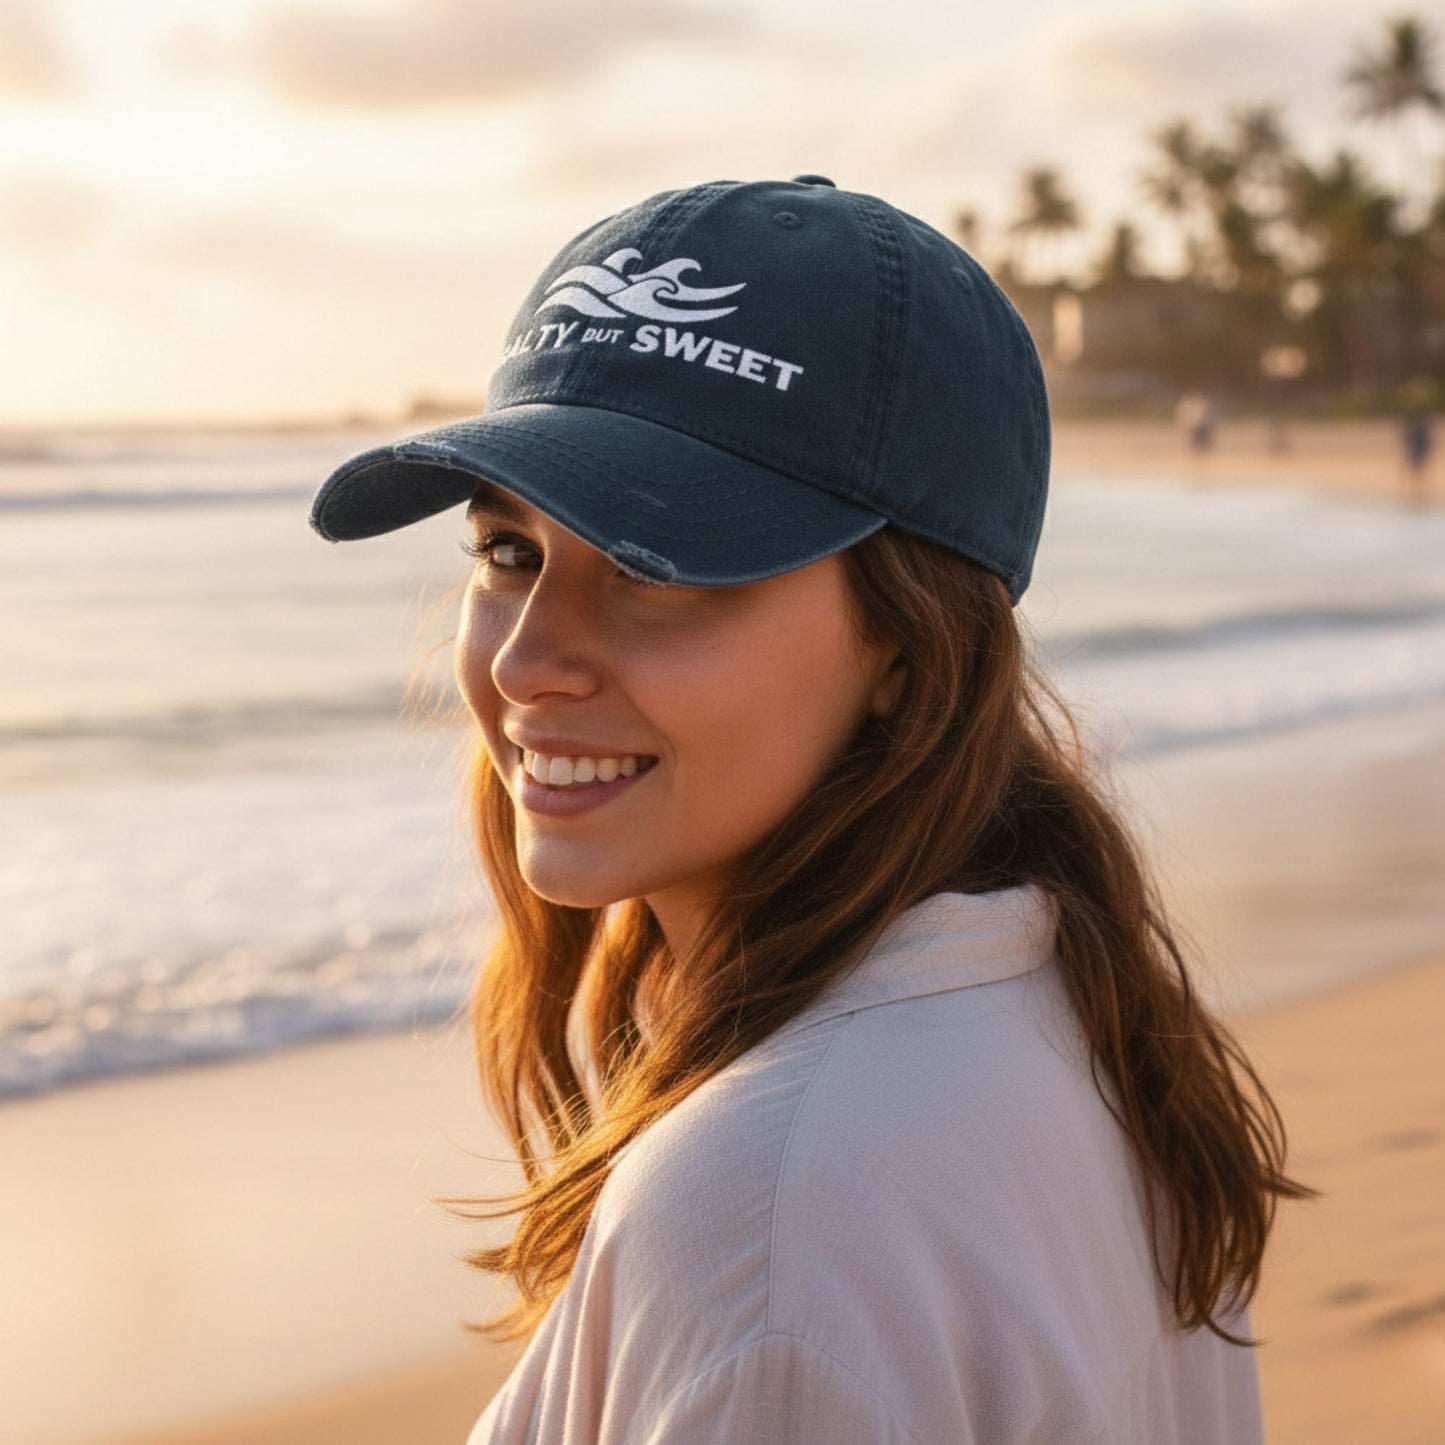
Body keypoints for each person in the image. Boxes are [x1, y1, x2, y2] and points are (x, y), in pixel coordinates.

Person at [309, 175, 1312, 1443]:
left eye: (650, 567)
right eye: (509, 551)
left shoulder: (772, 1220)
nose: (521, 663)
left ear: (906, 643)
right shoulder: (1065, 1005)